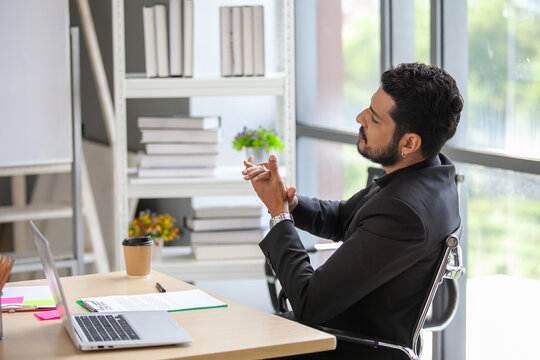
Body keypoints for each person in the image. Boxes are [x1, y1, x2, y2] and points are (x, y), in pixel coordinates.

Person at [241, 62, 464, 360]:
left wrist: (278, 214)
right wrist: (290, 203)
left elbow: (309, 303)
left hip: (348, 345)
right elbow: (345, 217)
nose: (359, 118)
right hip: (340, 333)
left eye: (373, 118)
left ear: (409, 142)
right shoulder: (429, 174)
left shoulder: (404, 210)